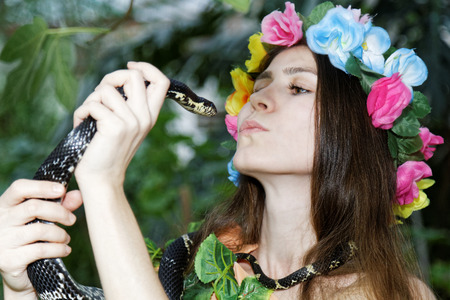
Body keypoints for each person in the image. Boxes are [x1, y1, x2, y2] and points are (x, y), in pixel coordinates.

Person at [0, 2, 443, 299]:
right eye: (260, 85)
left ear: (357, 134)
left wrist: (101, 183)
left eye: (297, 87)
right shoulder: (186, 265)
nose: (259, 99)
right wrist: (23, 285)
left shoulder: (391, 292)